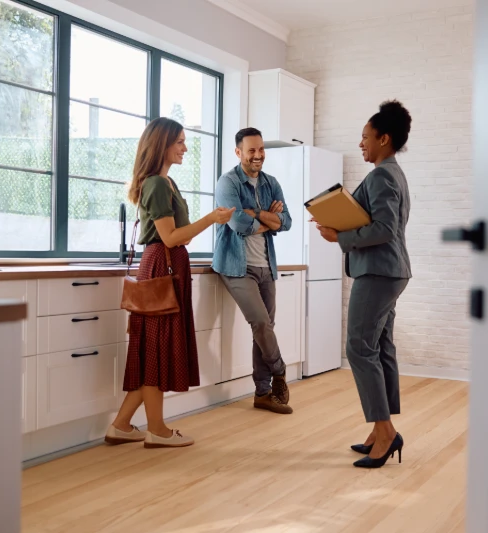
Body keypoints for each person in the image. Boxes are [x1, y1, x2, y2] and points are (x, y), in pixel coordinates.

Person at [106, 118, 235, 448]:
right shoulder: (159, 185)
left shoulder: (165, 183)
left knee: (153, 349)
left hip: (166, 266)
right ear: (162, 144)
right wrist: (212, 218)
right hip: (162, 267)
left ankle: (121, 426)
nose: (185, 147)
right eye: (179, 141)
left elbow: (175, 236)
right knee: (156, 350)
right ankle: (158, 430)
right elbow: (170, 236)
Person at [314, 100, 412, 468]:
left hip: (379, 272)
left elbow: (384, 229)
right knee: (380, 347)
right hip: (390, 271)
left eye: (365, 137)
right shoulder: (393, 173)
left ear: (384, 139)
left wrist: (339, 236)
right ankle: (381, 430)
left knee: (358, 348)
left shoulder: (382, 176)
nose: (361, 144)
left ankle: (385, 432)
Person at [212, 127, 294, 414]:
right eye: (251, 150)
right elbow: (236, 223)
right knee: (260, 323)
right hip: (236, 266)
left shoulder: (271, 183)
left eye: (261, 149)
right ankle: (280, 370)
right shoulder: (228, 182)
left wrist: (256, 213)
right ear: (238, 152)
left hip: (266, 265)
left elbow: (287, 222)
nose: (258, 155)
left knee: (264, 330)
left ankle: (263, 393)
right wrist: (267, 219)